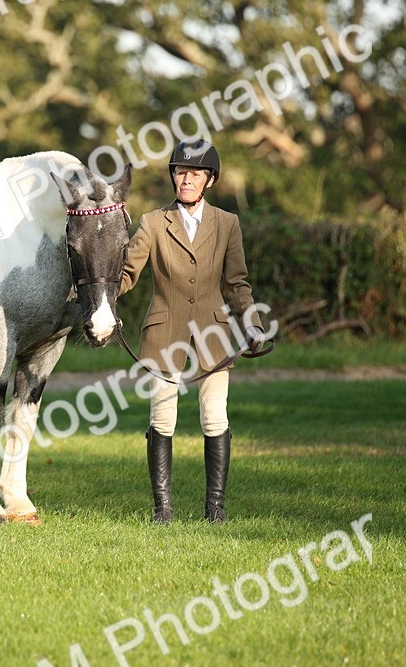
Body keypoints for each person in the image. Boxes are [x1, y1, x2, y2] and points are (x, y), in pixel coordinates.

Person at [118, 139, 265, 524]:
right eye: (180, 172)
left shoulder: (228, 223)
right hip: (163, 330)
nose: (185, 179)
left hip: (213, 334)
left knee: (215, 417)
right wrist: (100, 298)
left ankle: (215, 508)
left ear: (209, 180)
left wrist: (252, 323)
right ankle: (162, 509)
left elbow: (236, 283)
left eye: (194, 173)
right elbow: (128, 274)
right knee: (162, 419)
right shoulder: (152, 223)